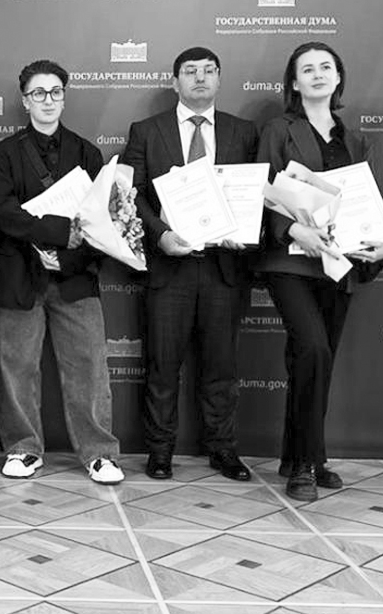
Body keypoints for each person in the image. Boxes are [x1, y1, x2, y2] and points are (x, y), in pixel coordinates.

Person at [256, 42, 383, 501]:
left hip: (339, 265)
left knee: (316, 359)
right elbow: (260, 191)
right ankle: (306, 463)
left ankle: (300, 456)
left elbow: (368, 206)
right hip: (290, 261)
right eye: (307, 69)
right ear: (294, 83)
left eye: (326, 67)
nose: (317, 74)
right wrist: (295, 228)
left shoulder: (356, 141)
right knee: (313, 348)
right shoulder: (278, 130)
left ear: (338, 78)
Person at [123, 46, 258, 482]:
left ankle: (223, 449)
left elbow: (255, 193)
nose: (200, 78)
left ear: (219, 79)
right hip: (170, 268)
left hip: (224, 267)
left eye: (208, 70)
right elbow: (131, 195)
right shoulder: (146, 131)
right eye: (190, 71)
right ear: (175, 81)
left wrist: (245, 229)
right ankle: (160, 451)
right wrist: (160, 234)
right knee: (163, 367)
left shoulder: (244, 132)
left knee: (221, 367)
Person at [0, 59, 123, 485]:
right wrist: (58, 234)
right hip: (18, 274)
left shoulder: (87, 153)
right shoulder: (3, 154)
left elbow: (101, 220)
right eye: (38, 93)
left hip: (75, 275)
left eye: (55, 92)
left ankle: (99, 453)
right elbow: (4, 215)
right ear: (25, 100)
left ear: (64, 97)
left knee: (89, 366)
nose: (48, 100)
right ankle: (23, 448)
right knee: (16, 367)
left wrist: (64, 257)